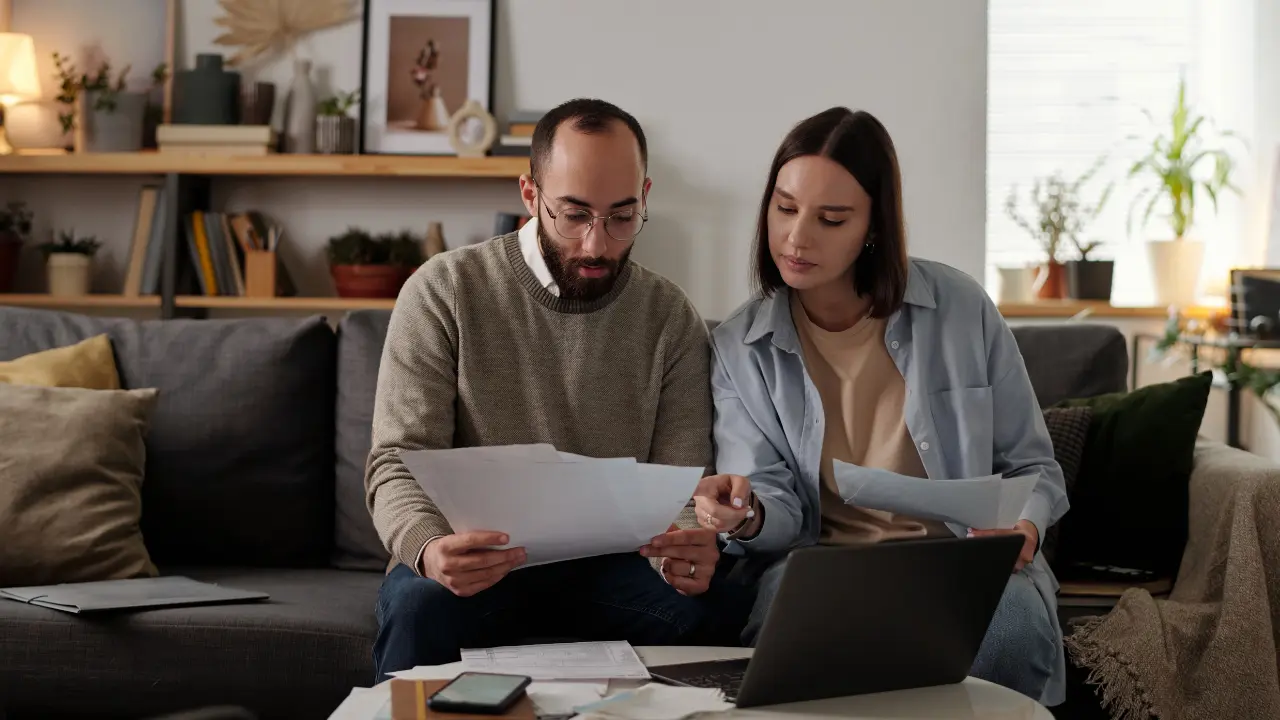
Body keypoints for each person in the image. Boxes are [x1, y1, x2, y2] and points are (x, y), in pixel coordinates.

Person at [690, 107, 1069, 707]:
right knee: (797, 642)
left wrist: (1023, 524)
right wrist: (746, 514)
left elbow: (1034, 466)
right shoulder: (739, 348)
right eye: (785, 208)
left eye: (831, 219)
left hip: (960, 562)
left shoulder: (961, 308)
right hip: (819, 565)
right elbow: (774, 505)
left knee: (1012, 634)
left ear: (873, 226)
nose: (797, 237)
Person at [365, 98, 722, 681]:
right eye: (574, 214)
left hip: (616, 568)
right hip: (476, 561)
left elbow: (681, 481)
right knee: (417, 608)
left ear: (645, 196)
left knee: (718, 607)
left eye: (622, 217)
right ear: (530, 195)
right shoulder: (443, 291)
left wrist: (686, 548)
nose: (596, 244)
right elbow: (394, 462)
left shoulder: (669, 316)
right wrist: (429, 549)